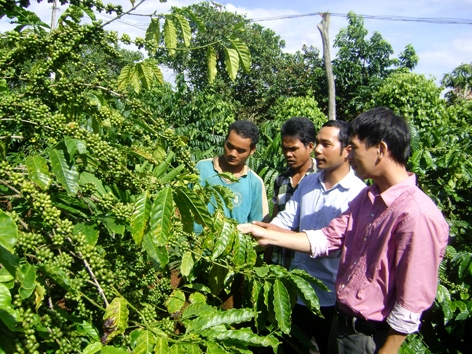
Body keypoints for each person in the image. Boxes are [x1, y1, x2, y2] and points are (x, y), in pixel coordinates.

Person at [238, 107, 449, 354]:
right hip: (344, 325)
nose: (351, 155)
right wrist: (263, 232)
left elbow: (413, 298)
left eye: (355, 148)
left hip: (372, 335)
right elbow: (326, 238)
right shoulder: (368, 199)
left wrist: (389, 350)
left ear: (380, 150)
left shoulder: (416, 214)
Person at [268, 120, 366, 354]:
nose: (318, 150)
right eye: (318, 143)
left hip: (330, 299)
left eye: (326, 144)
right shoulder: (308, 183)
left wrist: (266, 233)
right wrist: (260, 230)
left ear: (347, 150)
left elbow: (331, 245)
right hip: (297, 290)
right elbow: (286, 218)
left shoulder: (359, 194)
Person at [195, 120, 269, 227]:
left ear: (252, 150)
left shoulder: (255, 183)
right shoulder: (202, 168)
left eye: (241, 150)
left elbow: (258, 226)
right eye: (229, 146)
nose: (233, 153)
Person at [266, 116, 317, 268]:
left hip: (307, 267)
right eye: (285, 148)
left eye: (293, 149)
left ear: (310, 147)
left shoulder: (321, 180)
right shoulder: (281, 180)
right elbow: (276, 218)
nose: (288, 154)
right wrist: (266, 261)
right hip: (280, 263)